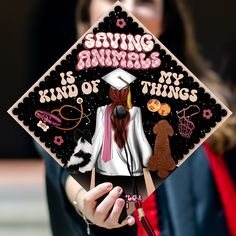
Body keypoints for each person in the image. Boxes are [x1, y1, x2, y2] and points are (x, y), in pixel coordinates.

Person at [31, 0, 236, 235]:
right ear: (87, 12)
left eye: (145, 1)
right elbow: (63, 169)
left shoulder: (209, 104)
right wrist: (86, 201)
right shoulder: (63, 101)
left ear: (165, 19)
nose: (127, 10)